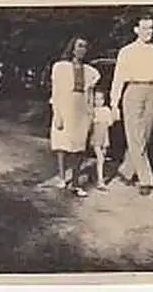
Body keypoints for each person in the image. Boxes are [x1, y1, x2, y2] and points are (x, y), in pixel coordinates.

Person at [108, 14, 153, 196]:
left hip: (151, 92)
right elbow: (118, 78)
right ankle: (146, 179)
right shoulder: (126, 52)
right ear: (136, 30)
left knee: (144, 136)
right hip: (132, 92)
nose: (148, 32)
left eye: (150, 28)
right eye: (144, 28)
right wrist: (114, 103)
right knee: (135, 136)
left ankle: (126, 170)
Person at [49, 36, 101, 197]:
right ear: (72, 48)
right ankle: (62, 177)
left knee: (79, 146)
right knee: (62, 143)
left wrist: (91, 113)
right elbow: (56, 91)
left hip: (81, 107)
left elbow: (90, 93)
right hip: (65, 104)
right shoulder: (60, 67)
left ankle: (76, 182)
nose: (82, 50)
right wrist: (57, 113)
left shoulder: (90, 71)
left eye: (85, 47)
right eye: (79, 46)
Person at [89, 88, 114, 192]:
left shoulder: (106, 110)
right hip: (96, 135)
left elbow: (110, 122)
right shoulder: (92, 110)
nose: (99, 101)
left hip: (104, 134)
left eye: (101, 99)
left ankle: (95, 175)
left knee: (102, 157)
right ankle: (100, 180)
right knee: (100, 157)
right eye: (96, 99)